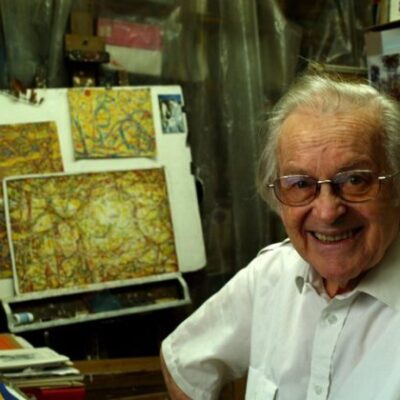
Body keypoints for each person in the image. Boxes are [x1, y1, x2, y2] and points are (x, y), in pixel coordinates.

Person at [160, 73, 400, 399]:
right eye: (300, 184)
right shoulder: (271, 274)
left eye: (355, 180)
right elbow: (183, 364)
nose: (328, 212)